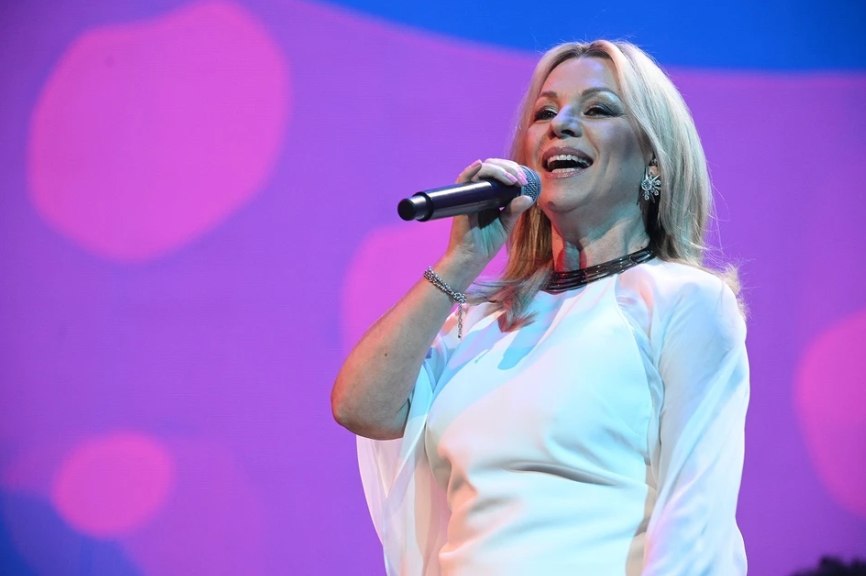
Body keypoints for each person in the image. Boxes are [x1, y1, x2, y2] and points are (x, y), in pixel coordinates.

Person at [332, 39, 749, 575]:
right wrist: (462, 260)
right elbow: (361, 407)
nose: (562, 125)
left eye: (597, 109)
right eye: (544, 113)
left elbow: (695, 518)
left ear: (654, 157)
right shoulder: (478, 322)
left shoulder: (682, 300)